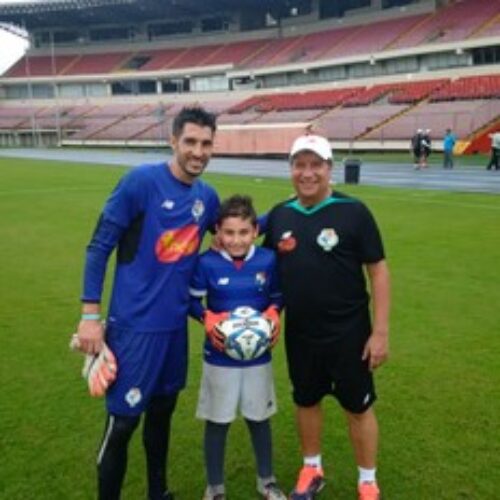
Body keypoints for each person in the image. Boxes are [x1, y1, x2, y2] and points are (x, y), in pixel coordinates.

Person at [74, 107, 220, 500]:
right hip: (134, 329)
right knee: (123, 424)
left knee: (162, 414)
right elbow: (98, 246)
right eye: (190, 141)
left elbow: (238, 230)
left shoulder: (207, 198)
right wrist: (90, 315)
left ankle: (159, 493)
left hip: (174, 331)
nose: (198, 151)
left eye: (206, 143)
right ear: (173, 141)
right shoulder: (139, 183)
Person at [263, 135, 391, 500]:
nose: (307, 173)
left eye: (315, 165)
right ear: (291, 170)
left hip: (350, 333)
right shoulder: (280, 215)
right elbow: (266, 271)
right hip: (301, 334)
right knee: (306, 400)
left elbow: (378, 271)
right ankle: (311, 468)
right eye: (299, 165)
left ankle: (367, 481)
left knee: (358, 406)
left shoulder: (354, 212)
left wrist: (380, 332)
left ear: (329, 168)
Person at [189, 195, 286, 500]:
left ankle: (266, 481)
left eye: (243, 232)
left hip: (258, 357)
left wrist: (273, 313)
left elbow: (278, 296)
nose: (236, 239)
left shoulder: (267, 260)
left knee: (260, 419)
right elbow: (192, 300)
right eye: (229, 233)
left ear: (255, 230)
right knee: (218, 422)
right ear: (217, 230)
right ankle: (215, 488)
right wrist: (206, 317)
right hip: (219, 359)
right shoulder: (206, 263)